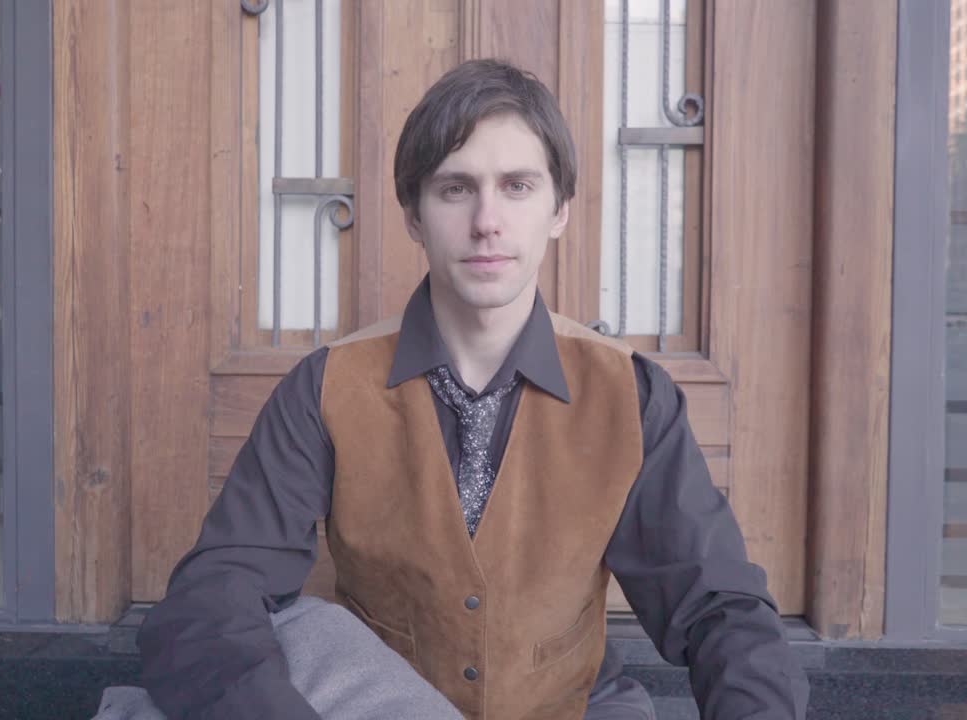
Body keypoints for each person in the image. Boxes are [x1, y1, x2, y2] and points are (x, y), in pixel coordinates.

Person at [137, 58, 809, 719]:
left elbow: (721, 609)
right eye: (456, 188)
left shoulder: (630, 396)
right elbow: (213, 600)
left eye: (517, 186)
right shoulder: (327, 388)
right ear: (413, 214)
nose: (487, 220)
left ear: (559, 210)